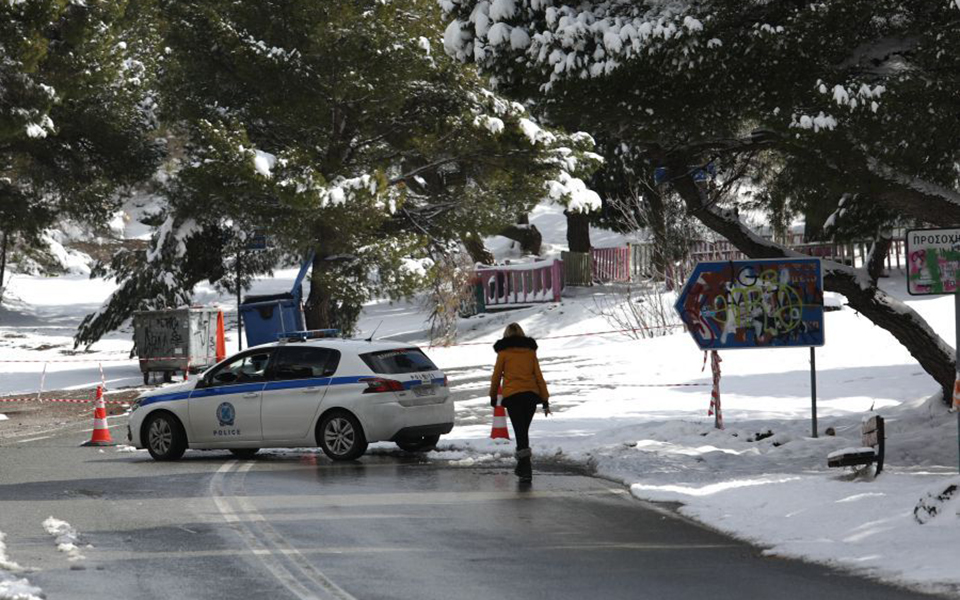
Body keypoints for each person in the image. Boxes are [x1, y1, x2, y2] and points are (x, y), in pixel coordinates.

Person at [489, 323, 550, 482]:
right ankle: (523, 467)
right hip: (530, 396)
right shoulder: (530, 352)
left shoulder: (503, 353)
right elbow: (538, 376)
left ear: (506, 335)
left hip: (513, 397)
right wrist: (545, 399)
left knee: (520, 431)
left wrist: (493, 396)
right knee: (523, 431)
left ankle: (526, 468)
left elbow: (496, 377)